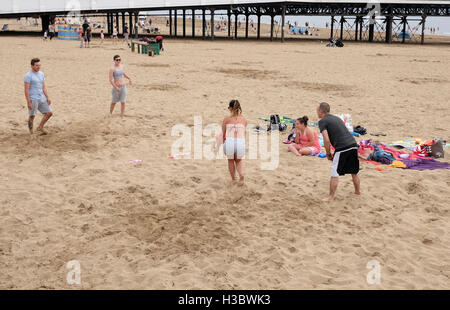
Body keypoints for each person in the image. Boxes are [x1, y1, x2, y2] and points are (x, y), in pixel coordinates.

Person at [317, 102, 360, 201]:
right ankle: (357, 192)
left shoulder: (322, 121)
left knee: (334, 173)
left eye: (317, 110)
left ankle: (331, 197)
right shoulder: (337, 118)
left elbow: (326, 140)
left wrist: (328, 154)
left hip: (342, 147)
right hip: (353, 145)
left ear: (320, 111)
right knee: (354, 171)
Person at [24, 58, 53, 135]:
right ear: (32, 66)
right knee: (32, 116)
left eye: (39, 65)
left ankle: (40, 127)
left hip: (42, 97)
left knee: (49, 113)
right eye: (36, 65)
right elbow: (26, 90)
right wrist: (28, 102)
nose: (38, 67)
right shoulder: (28, 76)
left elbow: (43, 87)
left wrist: (47, 97)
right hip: (33, 99)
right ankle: (31, 133)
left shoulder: (41, 74)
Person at [221, 100, 247, 184]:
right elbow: (244, 133)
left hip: (230, 141)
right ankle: (241, 176)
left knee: (231, 161)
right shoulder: (244, 119)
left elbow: (223, 134)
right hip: (240, 141)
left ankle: (233, 179)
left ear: (230, 108)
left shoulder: (226, 119)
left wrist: (223, 144)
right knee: (239, 161)